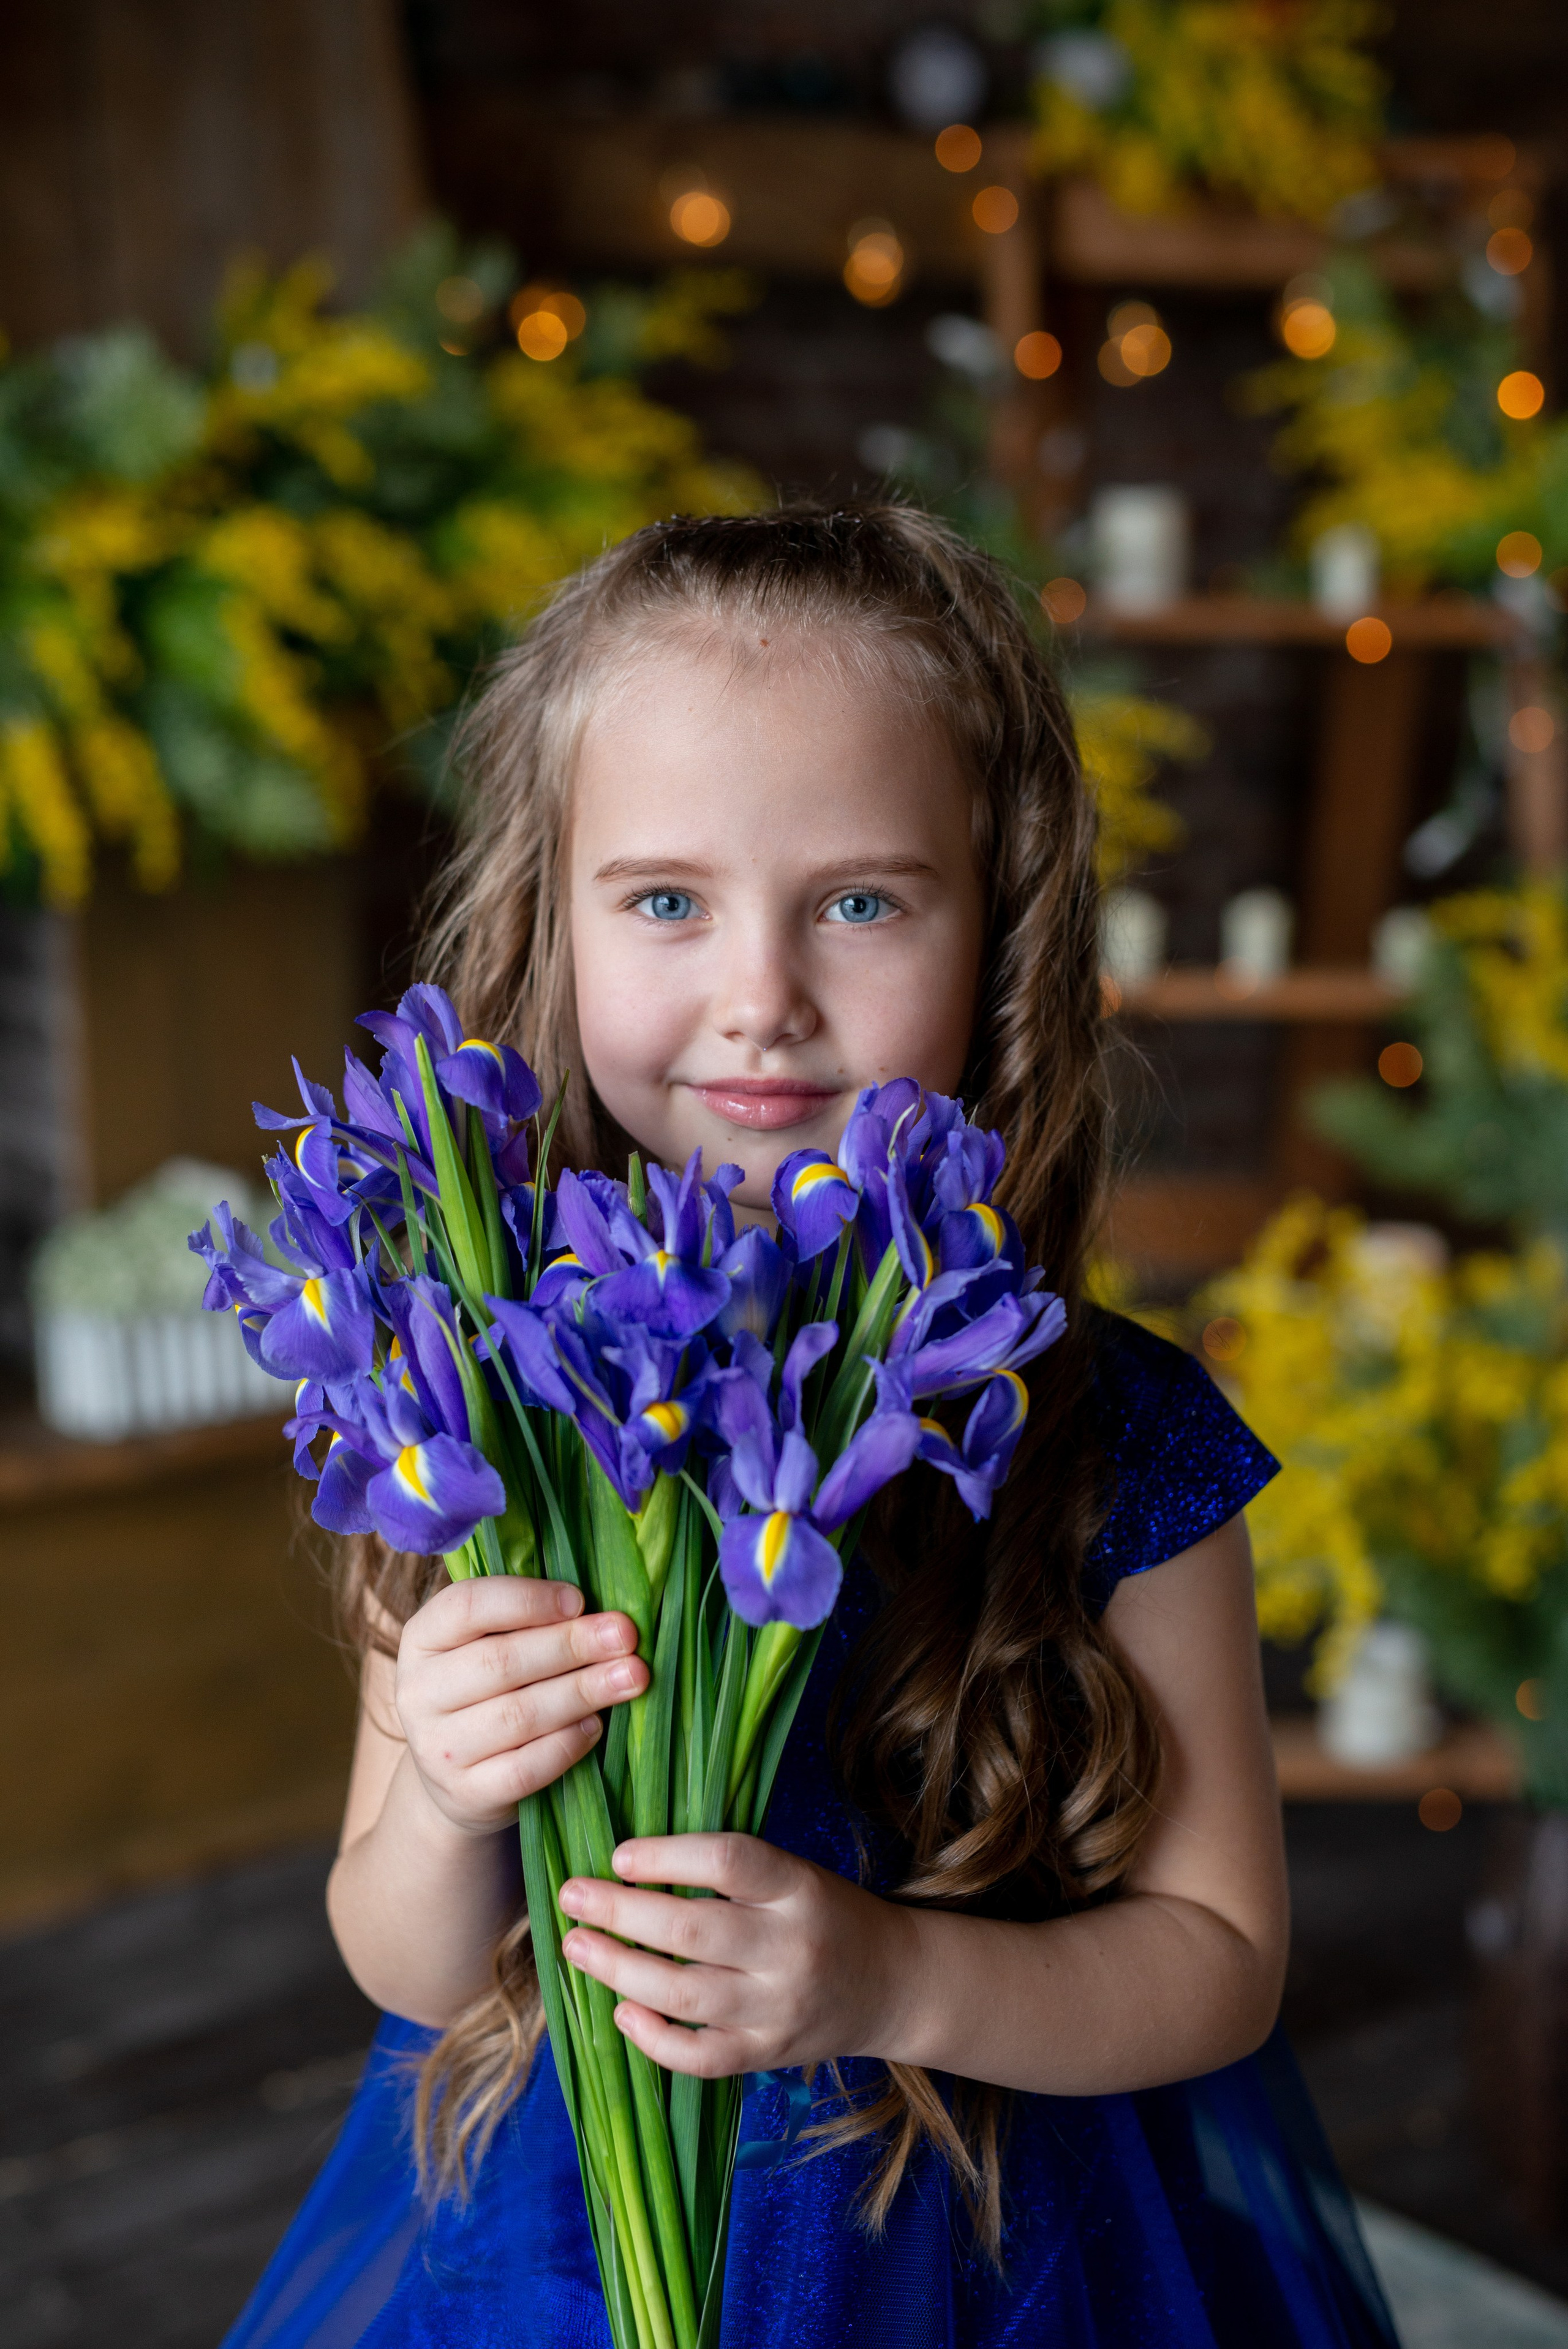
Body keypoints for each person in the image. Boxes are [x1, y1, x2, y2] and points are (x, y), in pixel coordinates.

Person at [223, 504, 1397, 2349]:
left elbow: (1222, 1959)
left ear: (999, 929)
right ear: (552, 918)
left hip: (995, 2254)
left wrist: (889, 1977)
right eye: (666, 902)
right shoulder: (478, 1402)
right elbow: (410, 1963)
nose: (762, 999)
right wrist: (448, 1796)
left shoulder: (1118, 1429)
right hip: (575, 2259)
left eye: (859, 901)